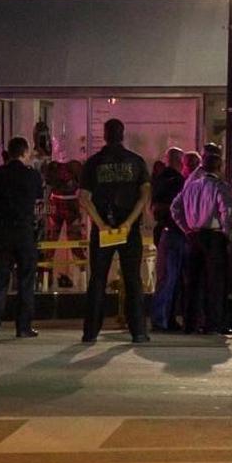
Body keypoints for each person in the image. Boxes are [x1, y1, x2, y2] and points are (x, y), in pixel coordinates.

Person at [78, 118, 151, 343]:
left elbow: (84, 197)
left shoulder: (93, 163)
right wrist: (129, 222)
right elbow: (144, 195)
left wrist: (101, 225)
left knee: (98, 280)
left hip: (104, 228)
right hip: (129, 229)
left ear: (105, 135)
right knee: (133, 279)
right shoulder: (136, 161)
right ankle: (138, 331)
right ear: (123, 134)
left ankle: (90, 332)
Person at [0, 136, 44, 338]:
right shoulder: (32, 176)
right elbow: (38, 197)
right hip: (24, 233)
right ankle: (23, 327)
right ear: (25, 153)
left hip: (1, 233)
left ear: (8, 154)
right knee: (26, 280)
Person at [171, 152, 232, 334]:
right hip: (214, 236)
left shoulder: (191, 186)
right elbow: (226, 212)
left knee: (193, 281)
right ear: (220, 167)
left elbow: (175, 207)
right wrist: (227, 233)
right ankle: (213, 323)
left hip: (194, 236)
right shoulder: (220, 187)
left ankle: (190, 323)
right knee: (215, 282)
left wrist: (186, 228)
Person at [150, 147, 186, 331]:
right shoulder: (178, 181)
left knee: (167, 276)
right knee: (170, 277)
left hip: (165, 230)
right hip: (174, 231)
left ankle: (165, 318)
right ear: (181, 162)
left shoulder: (159, 180)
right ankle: (162, 319)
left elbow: (155, 207)